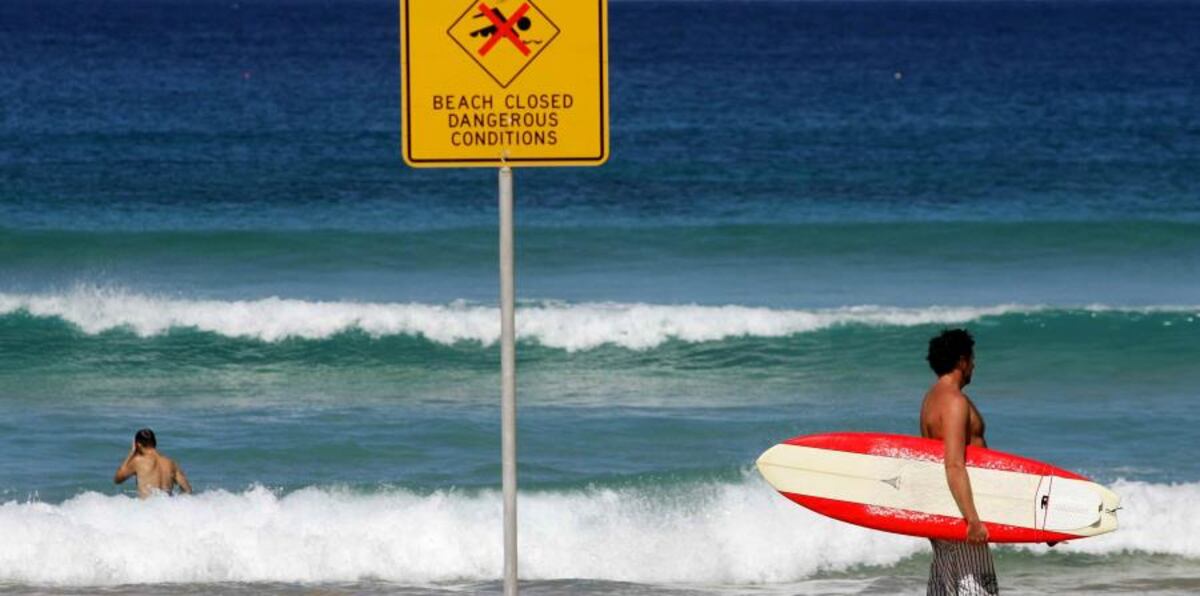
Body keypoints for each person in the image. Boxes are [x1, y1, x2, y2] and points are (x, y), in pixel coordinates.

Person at [919, 329, 999, 595]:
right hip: (963, 515)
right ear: (962, 361)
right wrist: (973, 520)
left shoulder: (931, 399)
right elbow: (953, 464)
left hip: (945, 512)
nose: (974, 364)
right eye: (972, 358)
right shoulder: (954, 402)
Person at [114, 428, 192, 498]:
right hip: (167, 511)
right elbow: (188, 490)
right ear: (155, 442)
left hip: (148, 510)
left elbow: (117, 479)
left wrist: (131, 453)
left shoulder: (138, 461)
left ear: (138, 445)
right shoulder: (171, 463)